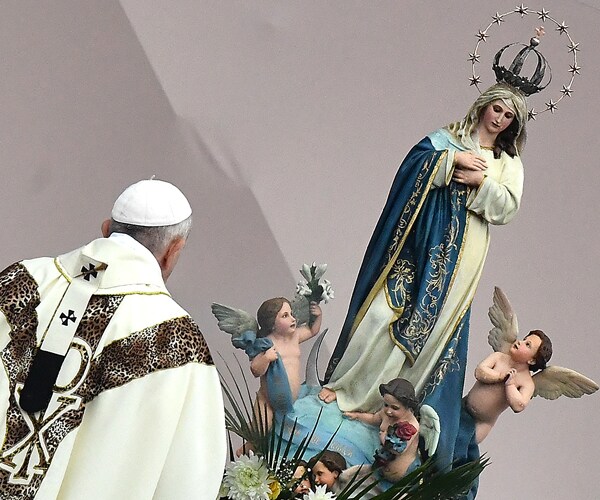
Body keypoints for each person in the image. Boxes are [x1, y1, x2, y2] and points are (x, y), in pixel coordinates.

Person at [319, 83, 528, 470]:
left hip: (462, 260)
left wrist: (481, 183)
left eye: (508, 116)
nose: (498, 118)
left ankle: (390, 413)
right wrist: (449, 165)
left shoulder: (508, 163)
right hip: (420, 247)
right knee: (383, 314)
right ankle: (347, 387)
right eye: (495, 109)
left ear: (514, 124)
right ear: (483, 106)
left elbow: (508, 207)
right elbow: (412, 168)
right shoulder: (446, 139)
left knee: (430, 333)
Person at [0, 179, 226, 499]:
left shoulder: (20, 281)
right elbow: (189, 476)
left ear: (106, 228)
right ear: (174, 249)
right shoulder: (174, 338)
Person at [464, 330, 552, 444]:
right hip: (463, 405)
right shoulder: (498, 357)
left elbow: (519, 405)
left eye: (527, 344)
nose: (520, 342)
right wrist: (499, 376)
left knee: (463, 448)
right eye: (524, 339)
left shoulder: (527, 383)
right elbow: (479, 372)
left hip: (482, 423)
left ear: (532, 360)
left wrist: (510, 384)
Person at [250, 297, 322, 430]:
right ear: (272, 323)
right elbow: (255, 369)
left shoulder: (295, 337)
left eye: (291, 314)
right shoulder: (266, 343)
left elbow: (312, 330)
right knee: (262, 431)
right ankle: (244, 450)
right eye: (285, 316)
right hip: (267, 401)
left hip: (289, 402)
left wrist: (318, 316)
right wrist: (266, 358)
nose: (293, 319)